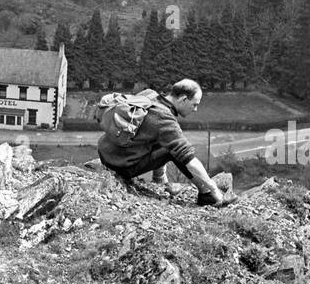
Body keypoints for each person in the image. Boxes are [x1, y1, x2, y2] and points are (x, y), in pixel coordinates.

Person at [97, 78, 233, 207]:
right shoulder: (164, 117)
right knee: (175, 151)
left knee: (167, 142)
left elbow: (147, 133)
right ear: (184, 99)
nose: (195, 109)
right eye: (194, 104)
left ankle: (160, 180)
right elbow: (188, 159)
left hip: (107, 153)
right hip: (120, 165)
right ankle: (207, 194)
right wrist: (214, 188)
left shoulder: (149, 94)